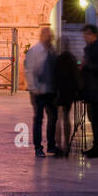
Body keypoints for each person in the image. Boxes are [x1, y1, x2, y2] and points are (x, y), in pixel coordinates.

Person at [23, 26, 58, 157]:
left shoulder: (52, 50)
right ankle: (38, 148)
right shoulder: (35, 51)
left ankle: (51, 145)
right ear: (42, 36)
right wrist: (33, 87)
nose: (50, 38)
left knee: (53, 118)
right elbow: (29, 70)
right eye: (48, 36)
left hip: (50, 90)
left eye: (51, 36)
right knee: (38, 119)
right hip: (38, 91)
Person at [80, 23, 98, 157]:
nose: (84, 37)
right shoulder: (90, 48)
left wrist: (87, 65)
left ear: (94, 34)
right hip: (91, 89)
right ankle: (96, 145)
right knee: (93, 118)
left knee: (96, 118)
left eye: (87, 34)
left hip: (96, 89)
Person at [52, 46, 81, 156]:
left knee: (59, 118)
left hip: (59, 91)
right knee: (67, 117)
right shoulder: (72, 59)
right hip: (68, 92)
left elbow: (53, 77)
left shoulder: (57, 59)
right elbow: (76, 77)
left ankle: (59, 146)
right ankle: (67, 144)